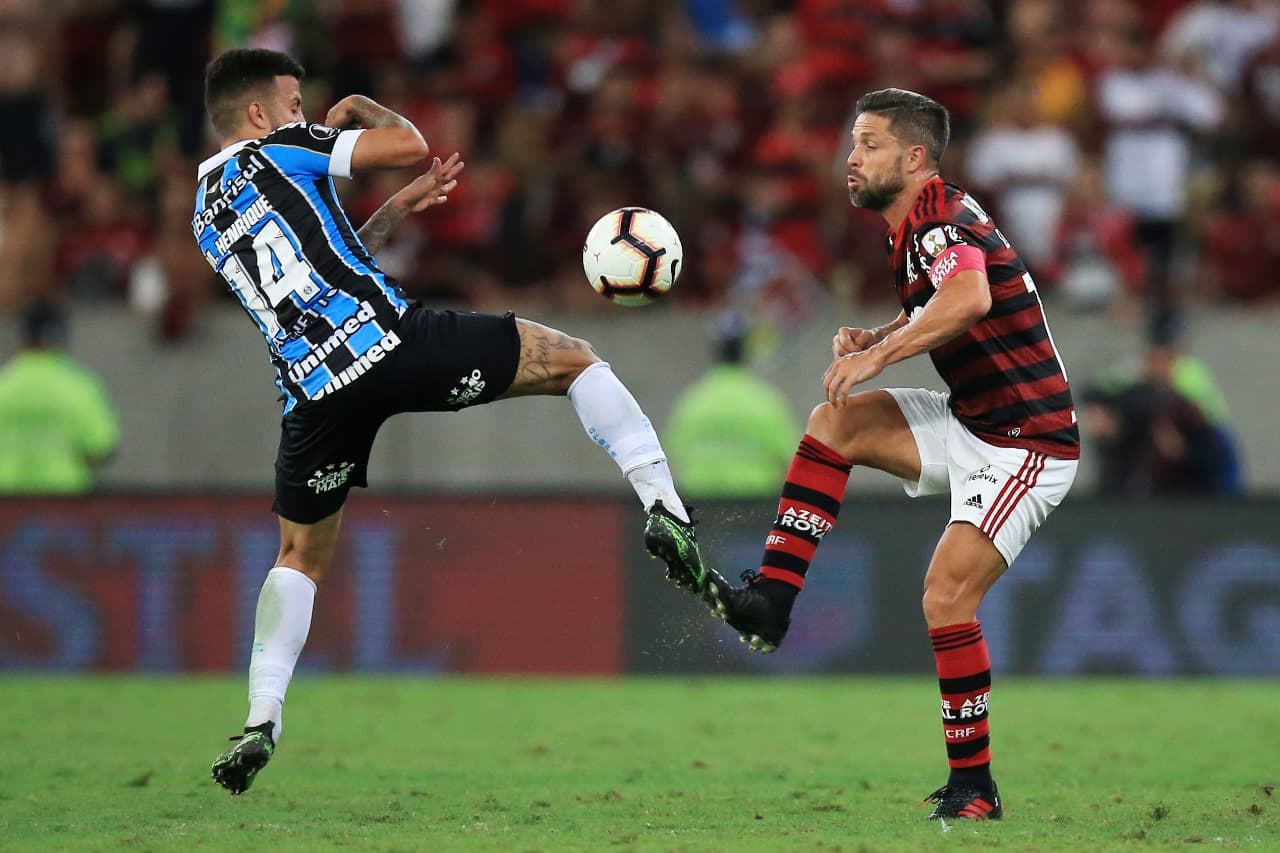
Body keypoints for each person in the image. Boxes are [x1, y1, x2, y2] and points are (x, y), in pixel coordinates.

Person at [193, 49, 708, 795]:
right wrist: (367, 107)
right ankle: (665, 508)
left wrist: (398, 209)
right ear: (258, 115)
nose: (305, 112)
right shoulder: (283, 146)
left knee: (298, 555)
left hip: (312, 391)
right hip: (388, 343)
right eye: (296, 101)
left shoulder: (208, 210)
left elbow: (318, 260)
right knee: (572, 360)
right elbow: (410, 144)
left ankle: (261, 720)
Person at [689, 89, 1080, 821]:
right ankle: (770, 603)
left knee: (945, 596)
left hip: (1027, 440)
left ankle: (974, 790)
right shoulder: (920, 225)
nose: (851, 157)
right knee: (832, 424)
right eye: (852, 142)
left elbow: (967, 299)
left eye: (867, 144)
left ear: (914, 157)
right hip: (973, 419)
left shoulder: (938, 214)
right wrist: (880, 335)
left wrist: (880, 360)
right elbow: (939, 297)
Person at [663, 316, 800, 498]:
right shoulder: (766, 402)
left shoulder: (692, 402)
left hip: (700, 508)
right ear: (745, 351)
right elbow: (794, 460)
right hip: (754, 510)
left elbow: (669, 457)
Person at [0, 298, 119, 494]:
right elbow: (101, 448)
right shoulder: (79, 387)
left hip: (6, 507)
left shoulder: (3, 385)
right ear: (60, 336)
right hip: (63, 510)